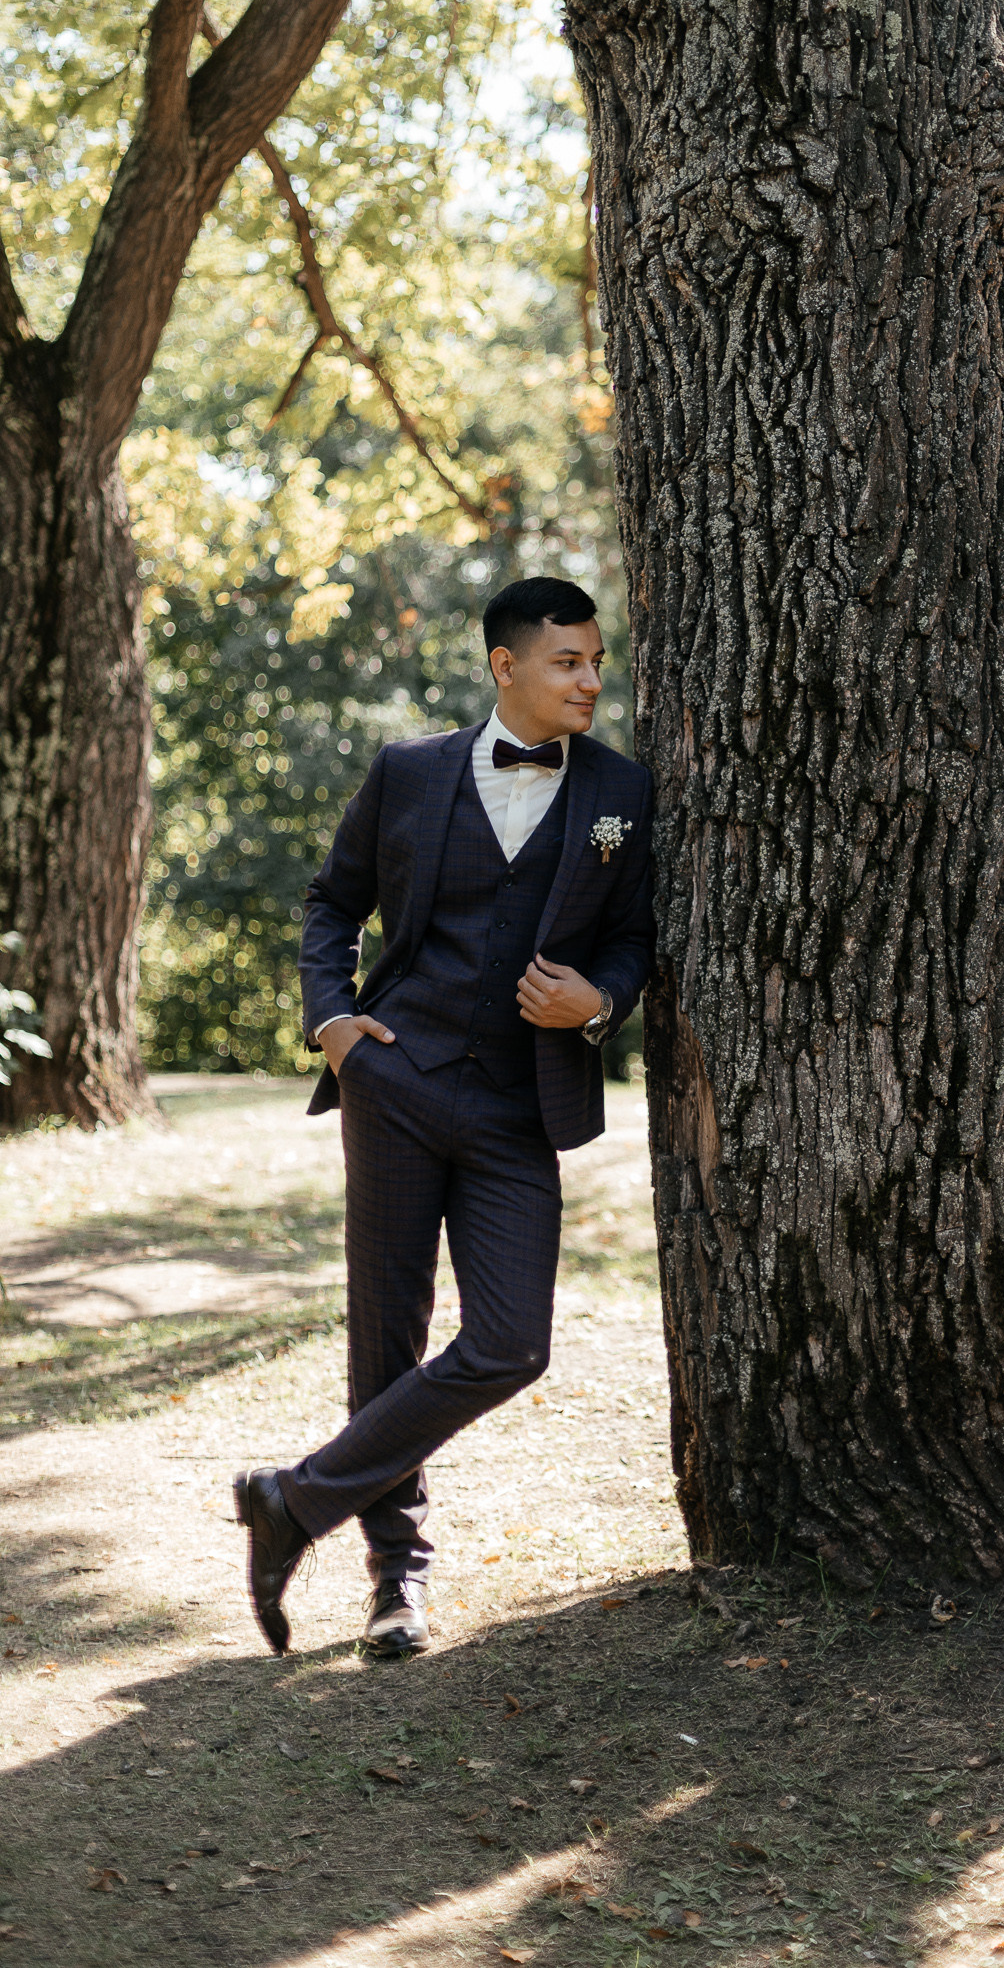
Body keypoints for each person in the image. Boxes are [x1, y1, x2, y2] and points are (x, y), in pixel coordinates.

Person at [233, 576, 655, 1658]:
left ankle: (293, 1499)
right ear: (505, 666)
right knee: (387, 1330)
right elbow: (333, 900)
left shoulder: (622, 790)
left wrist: (597, 1002)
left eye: (596, 661)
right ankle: (396, 1583)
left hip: (522, 1103)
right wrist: (333, 1021)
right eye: (567, 661)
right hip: (398, 1082)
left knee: (511, 1343)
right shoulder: (409, 770)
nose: (590, 680)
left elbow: (632, 937)